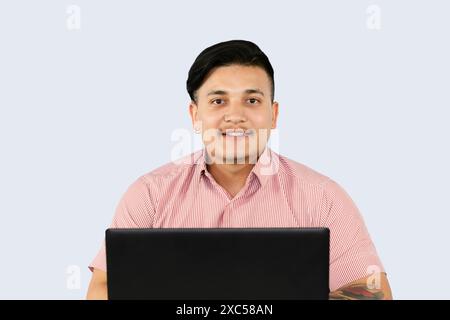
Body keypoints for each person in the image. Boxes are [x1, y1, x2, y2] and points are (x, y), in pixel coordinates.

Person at [87, 40, 392, 300]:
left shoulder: (322, 196)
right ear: (195, 115)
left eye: (252, 100)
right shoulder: (149, 194)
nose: (235, 115)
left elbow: (371, 289)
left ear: (273, 114)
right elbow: (103, 286)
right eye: (218, 100)